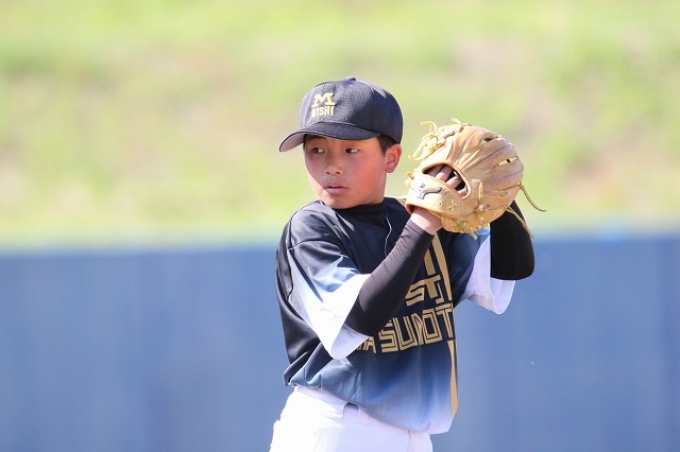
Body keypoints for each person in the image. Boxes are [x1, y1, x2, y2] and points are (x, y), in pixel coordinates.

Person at [270, 76, 534, 452]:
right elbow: (360, 317)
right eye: (316, 150)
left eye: (351, 149)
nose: (332, 166)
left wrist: (498, 193)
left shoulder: (415, 219)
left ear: (391, 157)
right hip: (336, 427)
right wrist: (424, 223)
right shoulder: (312, 228)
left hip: (413, 438)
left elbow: (510, 269)